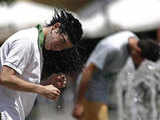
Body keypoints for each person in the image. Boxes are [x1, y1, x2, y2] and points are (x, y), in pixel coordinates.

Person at [0, 8, 83, 120]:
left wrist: (47, 82)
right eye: (61, 41)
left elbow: (21, 81)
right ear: (56, 27)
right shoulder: (26, 41)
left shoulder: (37, 45)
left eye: (64, 48)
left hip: (12, 112)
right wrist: (41, 89)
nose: (59, 48)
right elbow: (5, 77)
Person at [72, 31, 160, 120]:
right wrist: (79, 103)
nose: (140, 65)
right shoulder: (113, 48)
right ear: (138, 52)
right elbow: (88, 71)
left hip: (103, 90)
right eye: (142, 62)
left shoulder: (133, 39)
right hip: (89, 89)